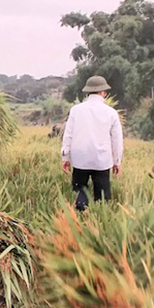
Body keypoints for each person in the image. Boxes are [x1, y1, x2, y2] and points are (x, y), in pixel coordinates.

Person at [61, 75, 123, 211]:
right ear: (103, 93)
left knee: (80, 191)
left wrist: (65, 157)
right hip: (102, 160)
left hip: (80, 158)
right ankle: (100, 222)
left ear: (88, 92)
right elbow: (117, 139)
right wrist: (117, 161)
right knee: (102, 198)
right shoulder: (111, 113)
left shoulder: (76, 110)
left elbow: (68, 135)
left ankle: (81, 218)